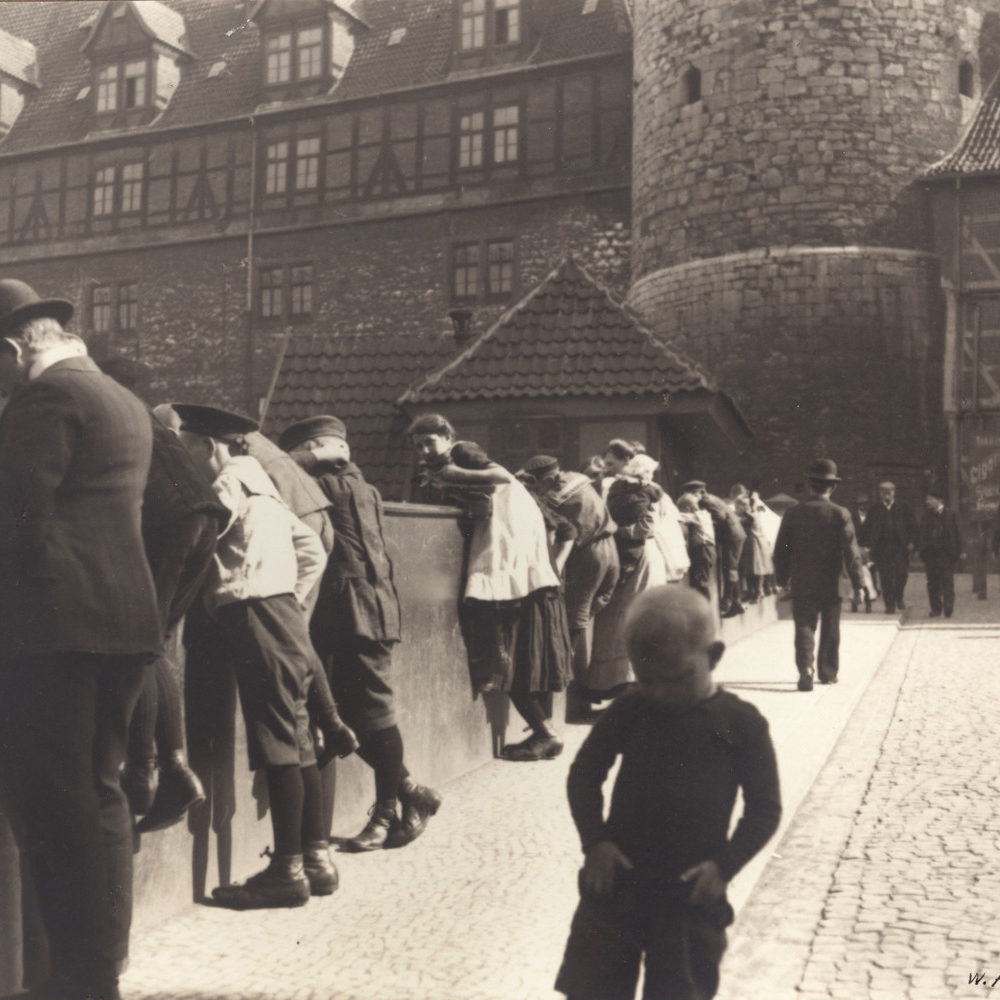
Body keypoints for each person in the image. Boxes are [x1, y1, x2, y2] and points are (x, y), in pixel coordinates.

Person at [0, 280, 161, 1000]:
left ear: (12, 350)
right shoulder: (122, 400)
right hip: (124, 628)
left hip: (54, 632)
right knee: (97, 797)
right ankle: (97, 971)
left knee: (52, 805)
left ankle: (75, 979)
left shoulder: (45, 399)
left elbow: (15, 522)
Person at [554, 586, 781, 1000]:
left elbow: (765, 809)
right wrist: (596, 842)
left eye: (676, 679)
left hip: (690, 890)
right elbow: (584, 775)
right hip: (617, 881)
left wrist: (723, 867)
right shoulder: (630, 708)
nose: (659, 692)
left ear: (713, 657)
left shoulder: (741, 723)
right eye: (646, 680)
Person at [173, 403, 338, 909]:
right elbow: (312, 548)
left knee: (277, 744)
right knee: (298, 738)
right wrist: (287, 593)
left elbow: (195, 543)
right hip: (284, 615)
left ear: (210, 446)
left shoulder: (226, 484)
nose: (184, 455)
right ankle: (314, 859)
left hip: (252, 617)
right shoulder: (264, 484)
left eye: (187, 446)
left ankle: (286, 874)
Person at [280, 414, 441, 849]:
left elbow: (281, 471)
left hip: (358, 615)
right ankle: (411, 793)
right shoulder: (361, 484)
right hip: (356, 613)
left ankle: (387, 813)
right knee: (350, 718)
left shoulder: (331, 487)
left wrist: (297, 457)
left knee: (374, 716)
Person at [408, 415, 571, 761]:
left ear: (447, 437)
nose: (424, 450)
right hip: (514, 550)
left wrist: (454, 476)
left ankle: (544, 732)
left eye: (430, 442)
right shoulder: (437, 465)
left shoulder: (463, 451)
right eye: (419, 445)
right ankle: (545, 731)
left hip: (507, 546)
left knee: (503, 642)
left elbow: (499, 477)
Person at [523, 454, 620, 721]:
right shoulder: (578, 480)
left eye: (537, 483)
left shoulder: (555, 492)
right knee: (584, 621)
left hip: (589, 555)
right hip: (610, 549)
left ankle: (572, 702)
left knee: (572, 624)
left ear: (548, 479)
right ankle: (580, 698)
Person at [772, 459, 865, 691]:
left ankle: (806, 669)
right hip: (832, 581)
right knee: (831, 627)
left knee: (804, 625)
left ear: (810, 486)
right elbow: (851, 553)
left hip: (803, 580)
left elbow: (781, 551)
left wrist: (782, 581)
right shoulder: (840, 514)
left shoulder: (793, 513)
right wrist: (858, 584)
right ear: (832, 487)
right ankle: (827, 672)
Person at [588, 454, 671, 697]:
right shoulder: (640, 492)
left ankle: (622, 678)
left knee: (625, 613)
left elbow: (644, 528)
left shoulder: (625, 491)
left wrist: (615, 531)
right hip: (643, 556)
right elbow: (646, 527)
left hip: (637, 556)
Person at [681, 479, 747, 617]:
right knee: (730, 568)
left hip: (731, 536)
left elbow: (720, 518)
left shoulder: (705, 501)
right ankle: (736, 603)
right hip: (734, 534)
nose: (692, 498)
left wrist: (702, 522)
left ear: (699, 492)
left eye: (693, 494)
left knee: (730, 568)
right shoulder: (712, 498)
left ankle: (728, 601)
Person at [864, 480, 915, 613]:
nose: (887, 494)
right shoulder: (874, 509)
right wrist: (866, 546)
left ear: (894, 492)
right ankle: (889, 604)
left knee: (902, 574)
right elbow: (866, 529)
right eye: (883, 491)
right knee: (885, 577)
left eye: (890, 491)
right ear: (880, 493)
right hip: (882, 548)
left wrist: (912, 542)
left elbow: (913, 526)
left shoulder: (904, 507)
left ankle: (899, 597)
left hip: (900, 548)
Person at [917, 490, 961, 619]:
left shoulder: (952, 515)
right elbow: (921, 535)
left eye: (930, 499)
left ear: (939, 500)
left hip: (946, 554)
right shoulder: (926, 516)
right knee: (932, 583)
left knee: (947, 581)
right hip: (931, 554)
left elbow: (958, 534)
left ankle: (948, 606)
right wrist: (922, 552)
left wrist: (960, 551)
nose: (927, 502)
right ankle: (936, 609)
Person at [677, 492, 716, 601]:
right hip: (706, 550)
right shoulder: (705, 514)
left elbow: (678, 516)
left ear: (688, 508)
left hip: (702, 550)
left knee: (701, 583)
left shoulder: (696, 516)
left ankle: (705, 609)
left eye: (682, 509)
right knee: (700, 581)